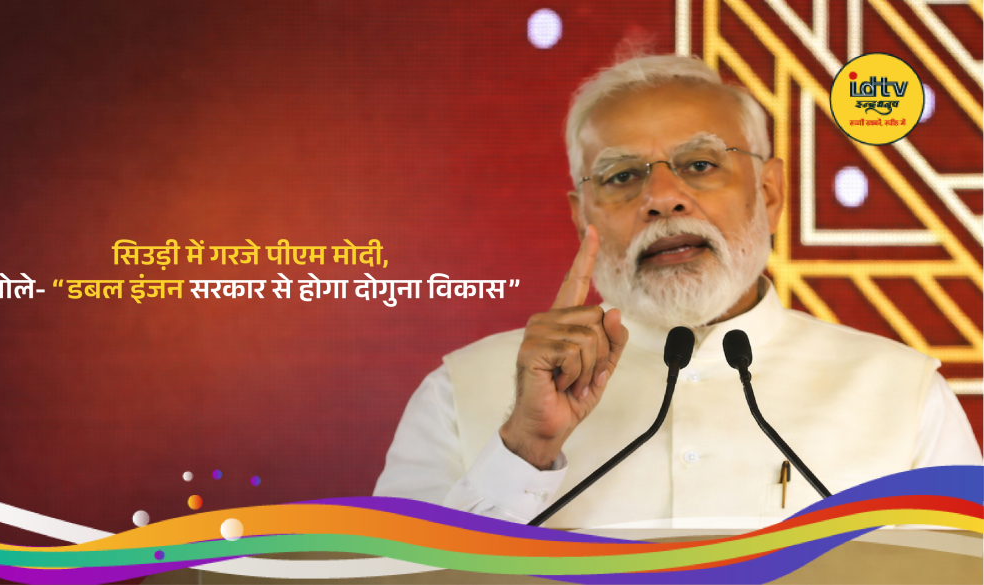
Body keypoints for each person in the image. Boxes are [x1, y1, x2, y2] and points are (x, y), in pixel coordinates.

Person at [373, 55, 982, 529]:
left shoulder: (903, 398)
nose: (661, 197)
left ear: (768, 193)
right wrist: (524, 450)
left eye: (699, 165)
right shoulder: (461, 393)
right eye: (621, 176)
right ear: (582, 214)